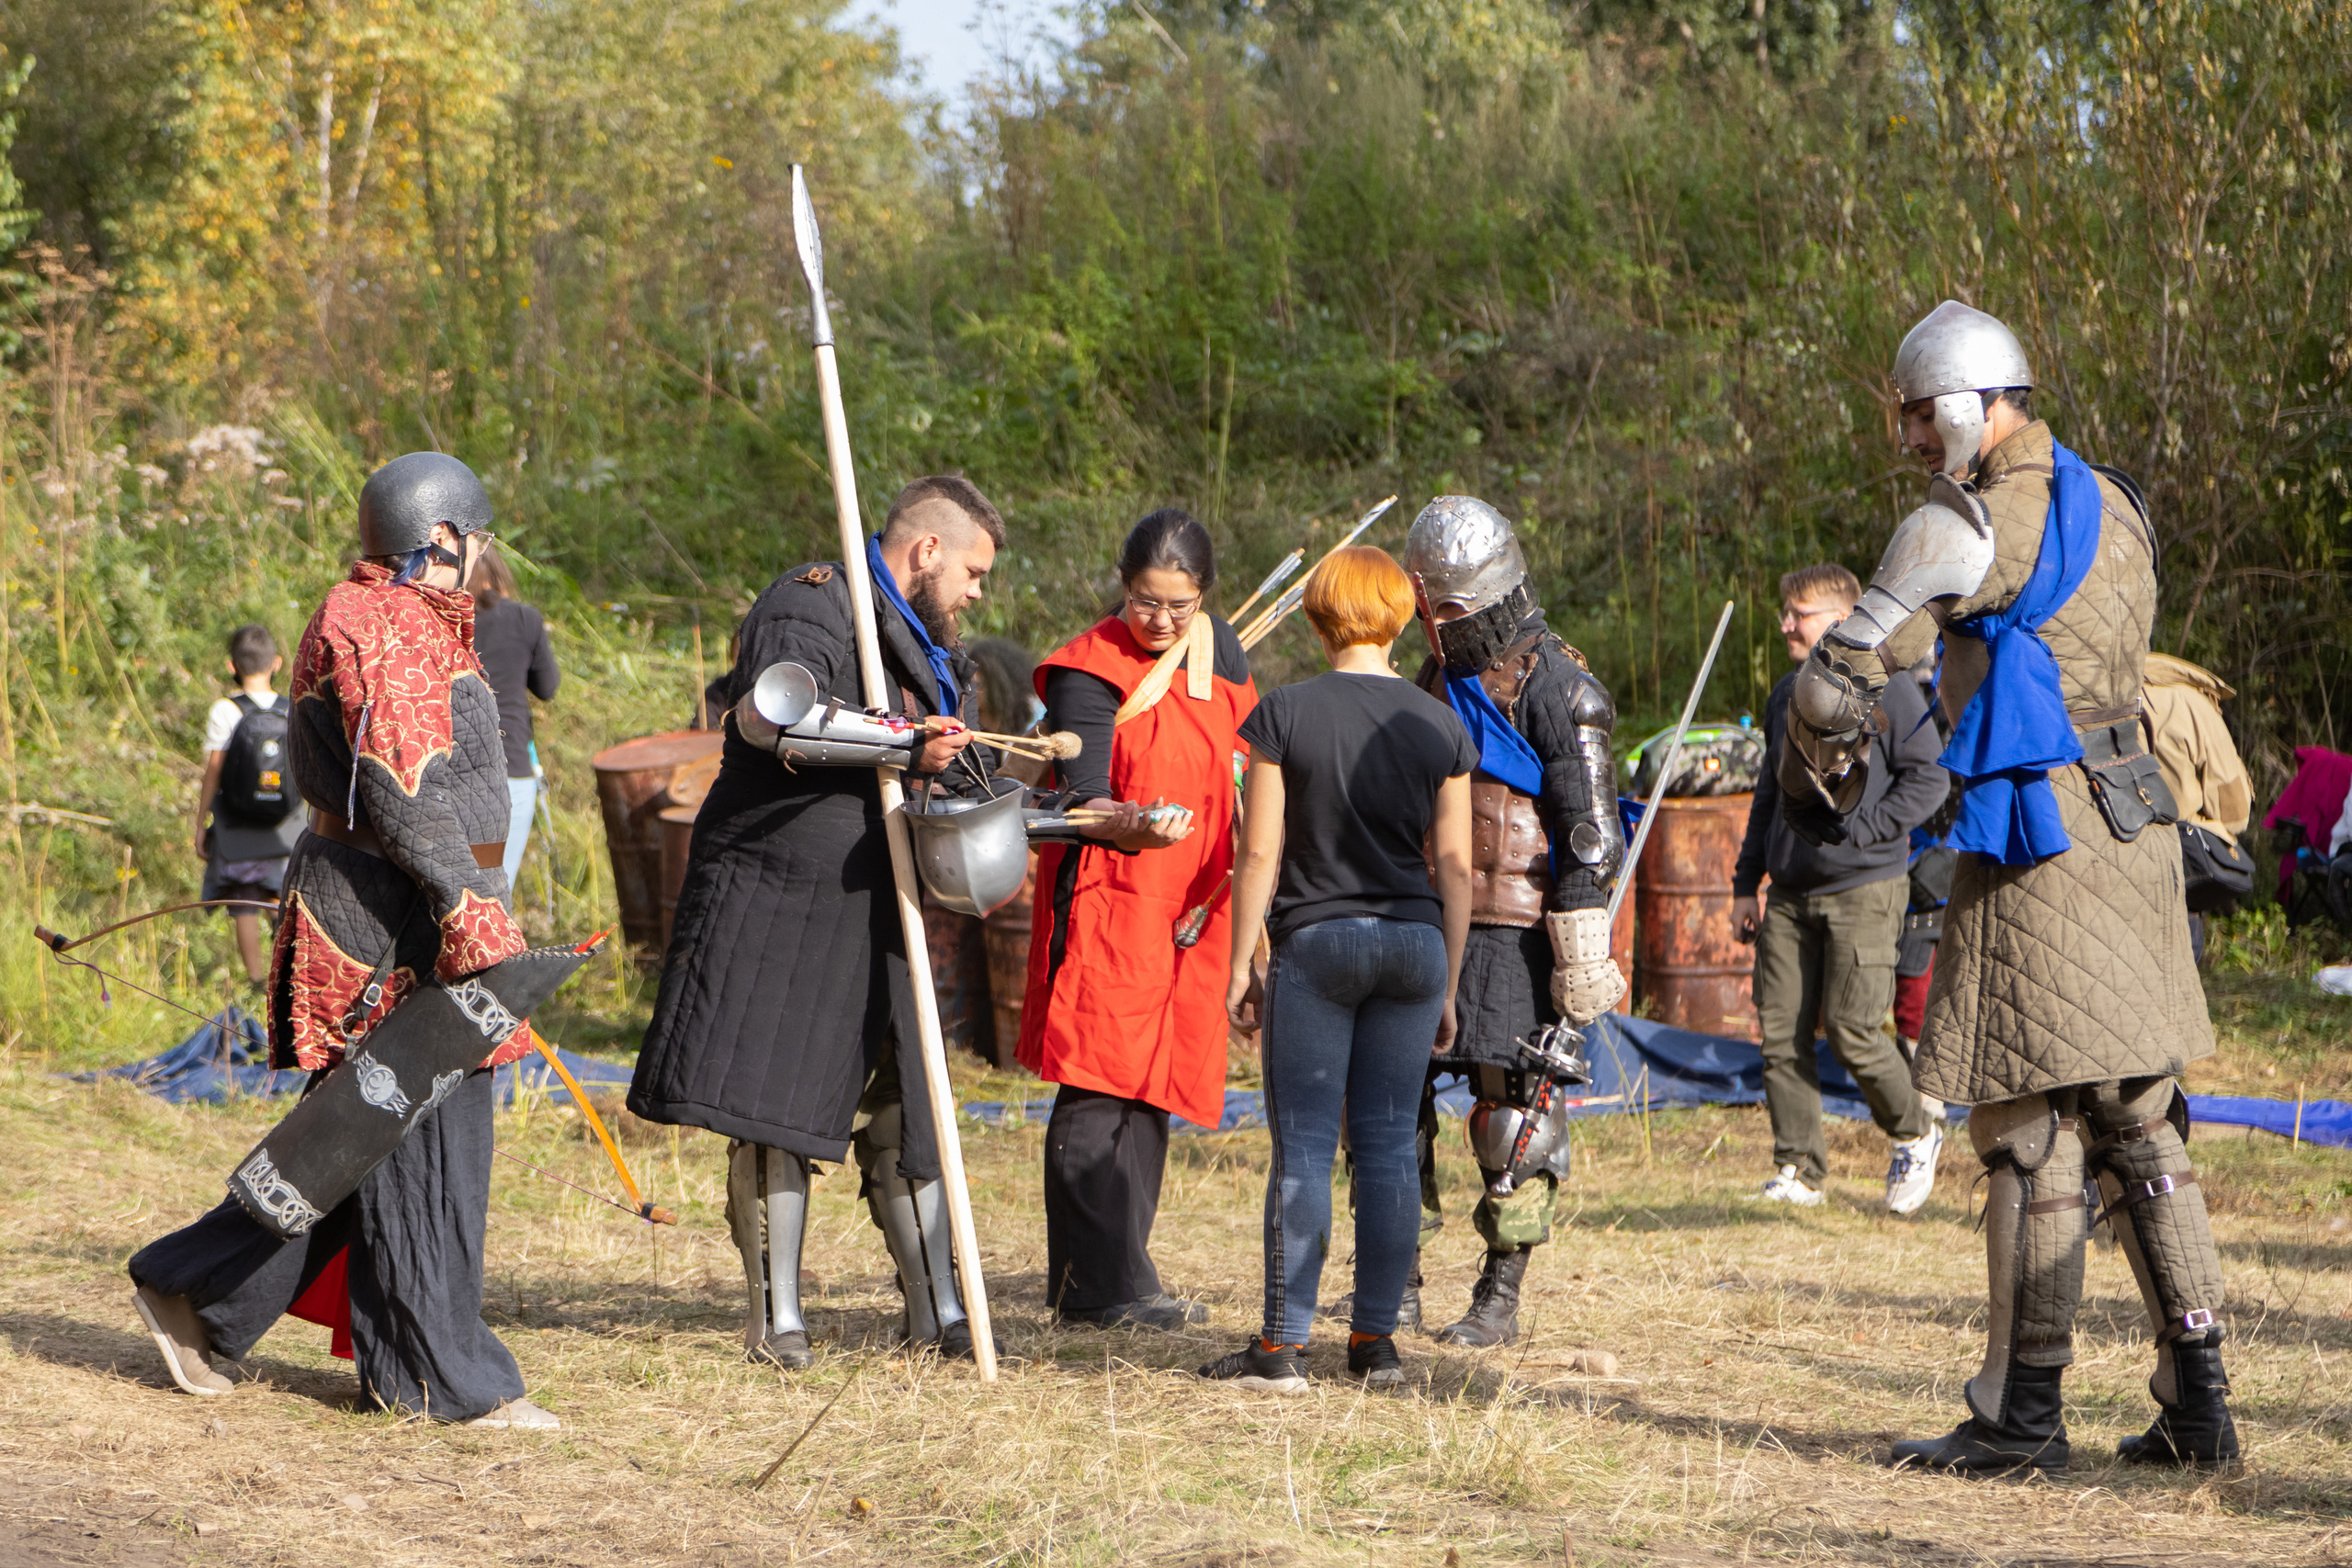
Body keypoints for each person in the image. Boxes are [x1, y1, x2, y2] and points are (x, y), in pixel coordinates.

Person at [1780, 300, 2232, 1473]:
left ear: (1974, 403)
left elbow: (1837, 686)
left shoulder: (1974, 522)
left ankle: (2023, 1414)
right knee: (2143, 1119)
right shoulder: (2117, 500)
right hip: (2135, 823)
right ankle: (2202, 1403)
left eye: (1925, 420)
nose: (1919, 447)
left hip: (2039, 837)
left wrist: (1818, 768)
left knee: (2028, 1132)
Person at [129, 452, 553, 1429]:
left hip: (399, 899)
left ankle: (199, 1293)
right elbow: (406, 789)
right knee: (423, 1131)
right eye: (476, 540)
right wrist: (467, 904)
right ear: (440, 537)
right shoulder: (390, 625)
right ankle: (436, 1380)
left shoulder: (389, 616)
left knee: (364, 1136)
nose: (482, 558)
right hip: (393, 912)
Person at [629, 476, 1004, 1371]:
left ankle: (938, 1309)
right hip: (782, 888)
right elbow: (770, 719)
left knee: (905, 1102)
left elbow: (963, 770)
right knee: (772, 1103)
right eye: (973, 572)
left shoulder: (932, 649)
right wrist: (902, 745)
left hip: (887, 898)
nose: (977, 592)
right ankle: (778, 1318)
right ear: (927, 552)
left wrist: (1079, 816)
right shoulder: (810, 605)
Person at [1200, 547, 1475, 1393]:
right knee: (1390, 1148)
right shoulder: (1441, 723)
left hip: (1317, 945)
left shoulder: (1285, 712)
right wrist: (1451, 982)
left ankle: (1281, 1349)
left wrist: (1247, 958)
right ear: (1400, 619)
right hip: (1413, 945)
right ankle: (1375, 1344)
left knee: (1306, 1148)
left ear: (1318, 619)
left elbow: (1260, 851)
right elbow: (1458, 866)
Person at [1363, 495, 1628, 1350]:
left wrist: (1581, 951)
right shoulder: (1438, 679)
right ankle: (1392, 1281)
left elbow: (1591, 834)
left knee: (1511, 1115)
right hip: (1431, 914)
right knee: (1392, 1098)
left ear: (1494, 595)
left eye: (1452, 611)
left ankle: (1499, 1292)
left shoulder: (1564, 689)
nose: (1438, 628)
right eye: (1429, 610)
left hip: (1516, 927)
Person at [1017, 510, 1256, 1331]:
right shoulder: (1088, 670)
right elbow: (1079, 793)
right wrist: (1130, 818)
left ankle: (1125, 1273)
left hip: (1189, 906)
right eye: (1146, 602)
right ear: (1123, 586)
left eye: (1179, 606)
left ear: (1203, 599)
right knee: (1095, 1087)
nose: (1160, 621)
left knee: (1149, 1089)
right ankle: (1091, 1287)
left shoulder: (1220, 650)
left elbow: (1242, 762)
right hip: (1108, 900)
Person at [1732, 563, 1949, 1214]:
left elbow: (1929, 780)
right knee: (1781, 1033)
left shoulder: (1891, 689)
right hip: (1790, 894)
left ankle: (1915, 1131)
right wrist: (1747, 881)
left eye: (1798, 613)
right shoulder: (1785, 695)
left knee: (1854, 1029)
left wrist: (1866, 833)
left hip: (1865, 886)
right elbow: (1770, 794)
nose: (1786, 624)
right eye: (1786, 613)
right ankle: (1798, 1166)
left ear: (1839, 618)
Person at [193, 624, 304, 985]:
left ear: (231, 666)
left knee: (243, 899)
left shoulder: (225, 710)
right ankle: (288, 975)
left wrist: (200, 823)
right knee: (279, 896)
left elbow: (214, 770)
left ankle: (257, 980)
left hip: (236, 823)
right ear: (277, 662)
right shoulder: (292, 710)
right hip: (286, 825)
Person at [2143, 653, 2252, 962]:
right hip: (2174, 862)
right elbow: (2234, 813)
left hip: (2092, 865)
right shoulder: (2188, 703)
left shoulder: (2078, 694)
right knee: (2175, 984)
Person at [468, 544, 560, 896]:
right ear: (499, 575)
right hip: (511, 767)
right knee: (496, 887)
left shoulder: (443, 620)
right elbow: (548, 688)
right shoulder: (524, 618)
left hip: (453, 769)